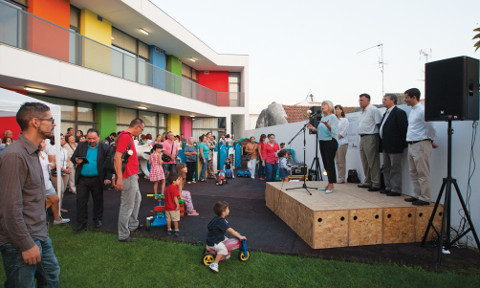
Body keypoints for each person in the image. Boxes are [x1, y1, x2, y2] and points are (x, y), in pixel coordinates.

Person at [0, 102, 60, 286]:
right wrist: (25, 244)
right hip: (20, 239)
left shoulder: (34, 153)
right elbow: (9, 207)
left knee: (51, 277)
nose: (53, 124)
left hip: (39, 233)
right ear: (35, 122)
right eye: (50, 120)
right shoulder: (15, 156)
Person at [71, 128, 112, 231]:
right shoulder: (81, 146)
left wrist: (108, 177)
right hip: (82, 179)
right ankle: (81, 222)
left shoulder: (105, 147)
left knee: (98, 200)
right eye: (89, 139)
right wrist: (76, 160)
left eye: (94, 138)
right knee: (81, 201)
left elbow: (109, 163)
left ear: (99, 137)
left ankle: (98, 219)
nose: (91, 141)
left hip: (97, 179)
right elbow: (73, 157)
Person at [404, 88, 438, 206]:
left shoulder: (422, 110)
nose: (405, 100)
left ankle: (425, 197)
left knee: (422, 172)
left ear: (414, 97)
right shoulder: (413, 111)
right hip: (412, 144)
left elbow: (431, 127)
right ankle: (417, 195)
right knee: (413, 172)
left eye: (406, 97)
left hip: (420, 144)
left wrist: (429, 140)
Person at [115, 118, 145, 242]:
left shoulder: (128, 137)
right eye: (141, 129)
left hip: (131, 174)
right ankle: (123, 234)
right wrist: (120, 178)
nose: (141, 132)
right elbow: (117, 157)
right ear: (136, 127)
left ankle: (133, 225)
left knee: (137, 199)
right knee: (127, 204)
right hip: (127, 176)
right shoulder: (125, 137)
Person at [379, 94, 408, 197]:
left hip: (395, 145)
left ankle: (396, 189)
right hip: (385, 145)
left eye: (385, 99)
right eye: (383, 99)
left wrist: (403, 143)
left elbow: (403, 129)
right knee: (386, 167)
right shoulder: (385, 113)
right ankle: (388, 187)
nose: (383, 101)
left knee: (395, 167)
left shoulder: (399, 113)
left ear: (393, 100)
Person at [206, 201, 247, 273]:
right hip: (214, 241)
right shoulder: (221, 221)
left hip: (214, 237)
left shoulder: (217, 218)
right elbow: (230, 230)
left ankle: (225, 254)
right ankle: (215, 264)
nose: (229, 210)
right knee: (223, 250)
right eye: (228, 209)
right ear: (223, 212)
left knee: (228, 241)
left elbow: (209, 226)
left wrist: (238, 234)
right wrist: (239, 236)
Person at [308, 100, 339, 193]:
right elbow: (320, 131)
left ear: (329, 106)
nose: (322, 106)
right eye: (322, 105)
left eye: (324, 105)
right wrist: (312, 128)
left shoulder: (333, 117)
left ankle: (331, 185)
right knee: (325, 163)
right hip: (322, 142)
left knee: (329, 163)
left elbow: (334, 131)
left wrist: (327, 124)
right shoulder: (322, 117)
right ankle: (329, 182)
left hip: (330, 142)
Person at [39, 140, 70, 225]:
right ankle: (39, 221)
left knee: (55, 199)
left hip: (47, 183)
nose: (44, 144)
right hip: (38, 184)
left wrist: (51, 165)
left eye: (44, 142)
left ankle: (57, 219)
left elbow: (48, 165)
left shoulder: (44, 154)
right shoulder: (33, 156)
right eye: (42, 142)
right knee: (39, 203)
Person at [357, 93, 382, 191]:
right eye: (359, 100)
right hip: (362, 137)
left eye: (362, 100)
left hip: (371, 136)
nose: (360, 102)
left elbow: (378, 124)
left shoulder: (373, 110)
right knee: (365, 161)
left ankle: (376, 183)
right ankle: (367, 181)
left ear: (368, 100)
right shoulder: (362, 112)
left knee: (373, 161)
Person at [334, 105, 349, 184]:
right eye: (335, 109)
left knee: (341, 161)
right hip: (335, 143)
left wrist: (337, 138)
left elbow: (343, 131)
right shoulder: (333, 120)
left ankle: (342, 177)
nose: (337, 111)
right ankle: (339, 176)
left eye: (338, 109)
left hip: (342, 142)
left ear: (341, 111)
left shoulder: (344, 120)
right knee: (337, 161)